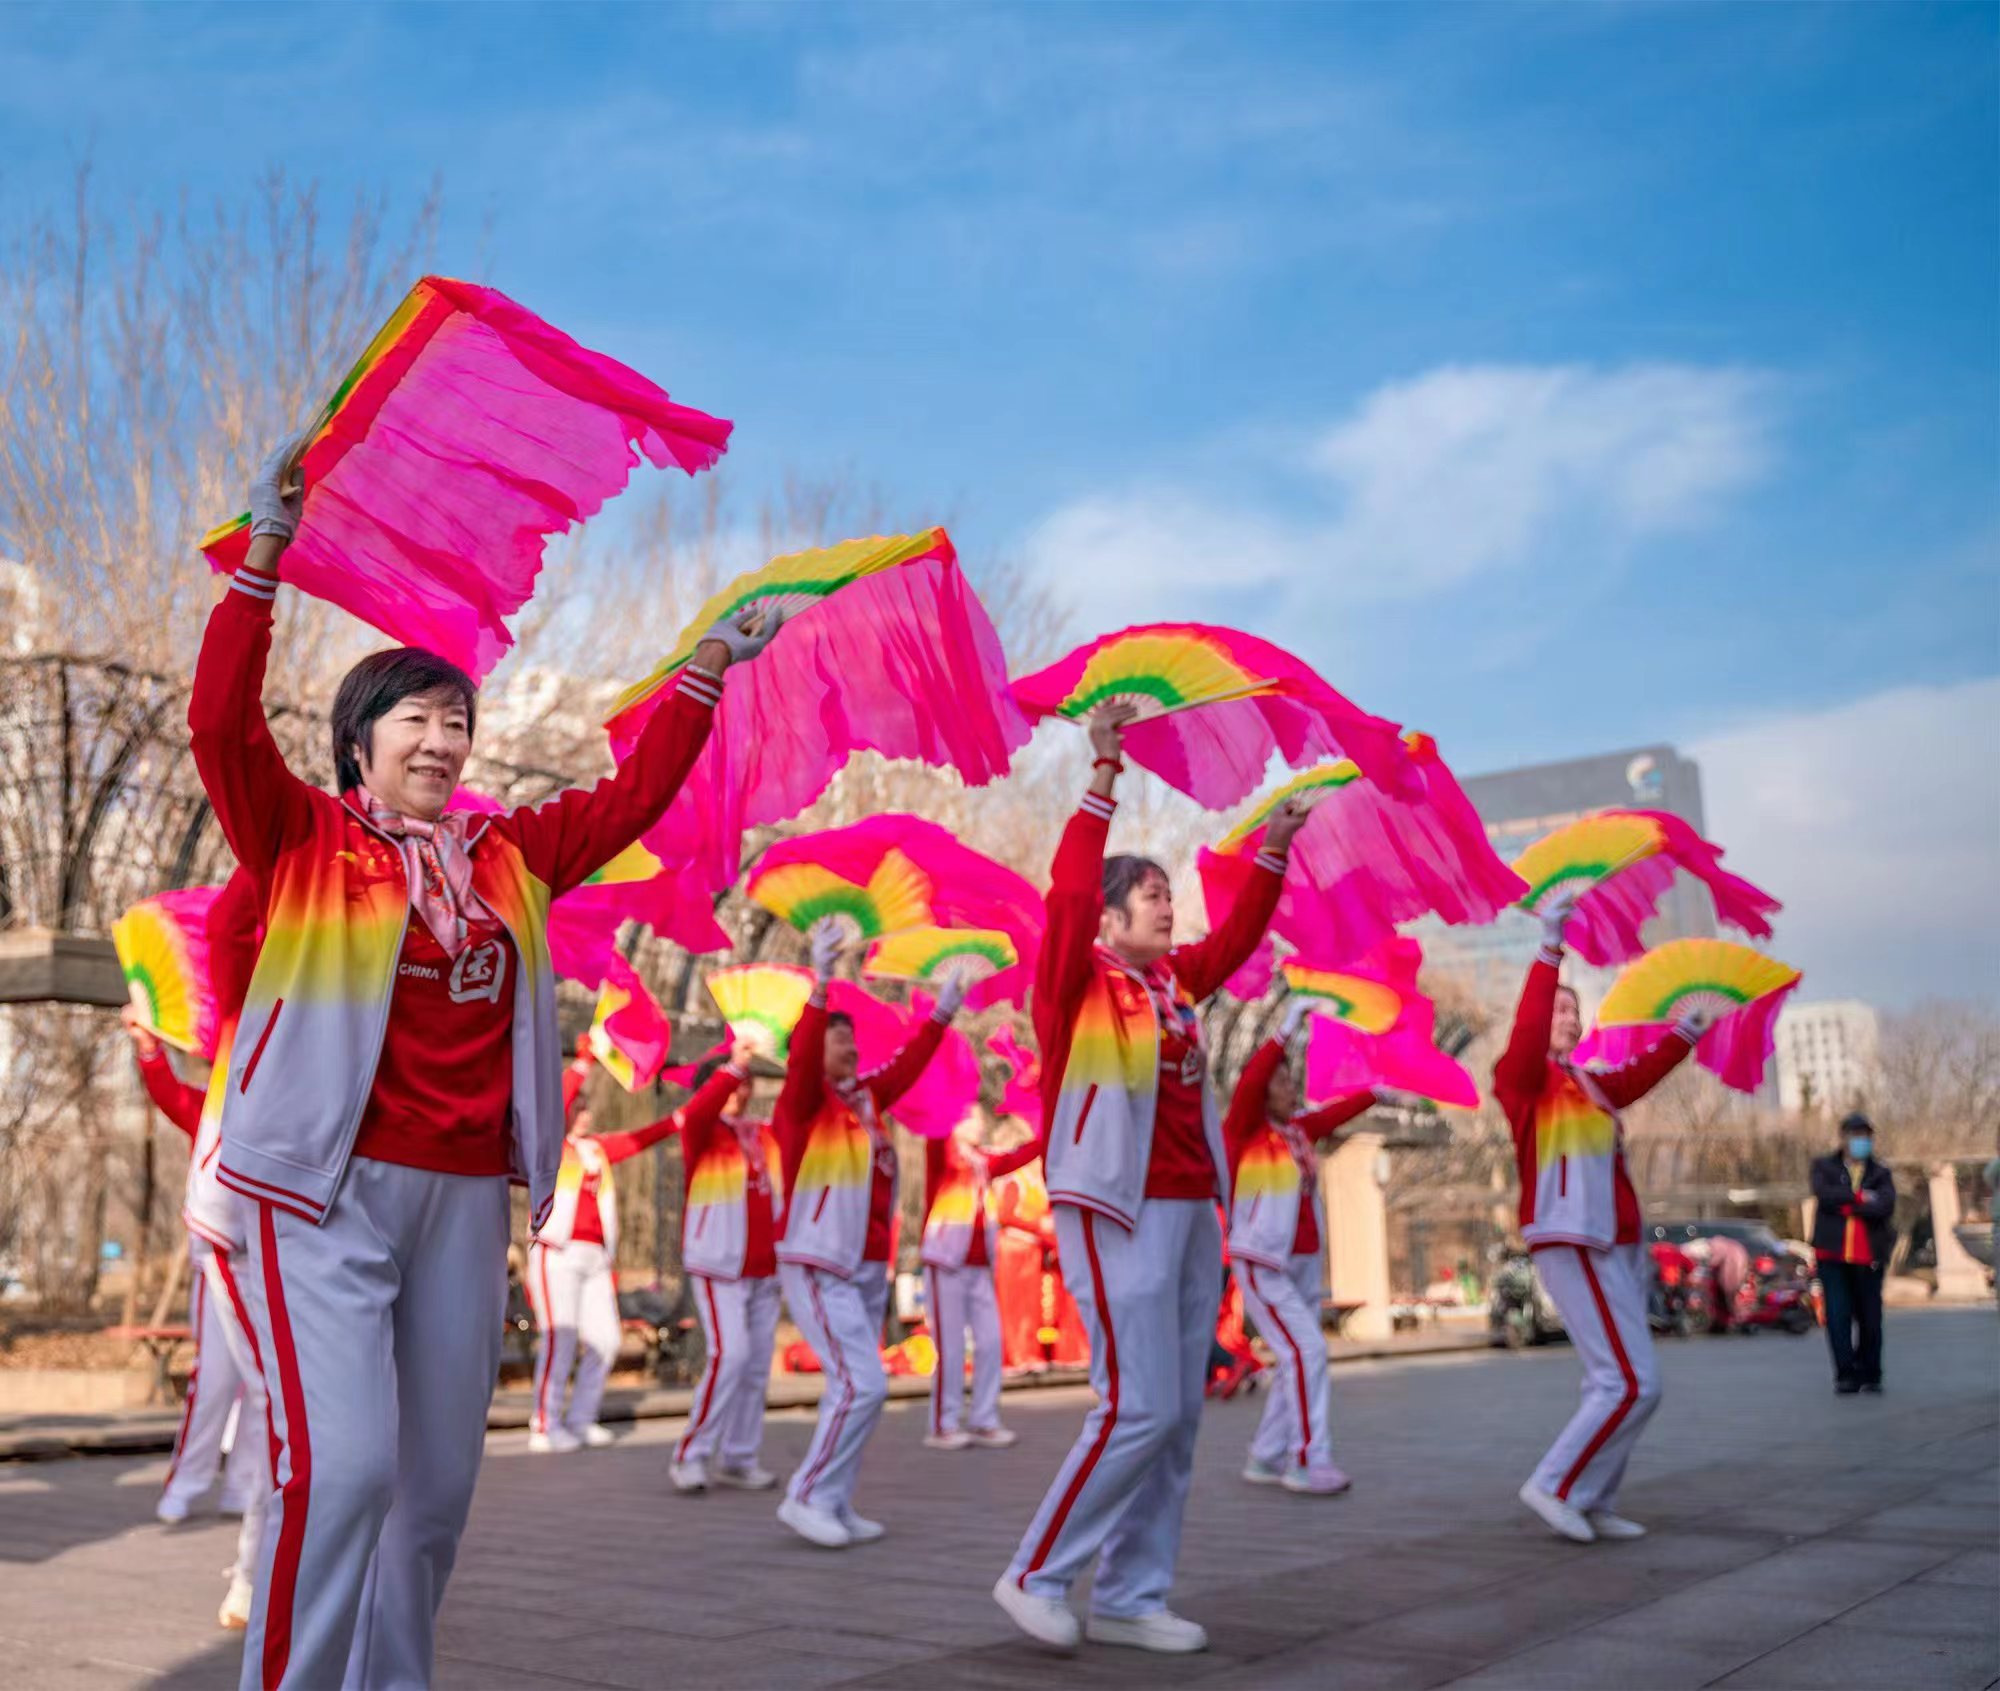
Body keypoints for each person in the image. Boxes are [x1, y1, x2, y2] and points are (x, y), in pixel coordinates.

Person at [188, 438, 782, 1691]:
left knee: (438, 1491)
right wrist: (264, 555)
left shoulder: (509, 854)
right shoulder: (299, 835)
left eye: (459, 721)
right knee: (343, 1467)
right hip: (321, 1191)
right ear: (360, 738)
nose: (446, 739)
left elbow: (632, 800)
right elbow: (218, 724)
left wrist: (707, 670)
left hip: (464, 1197)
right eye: (420, 717)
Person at [994, 702, 1304, 1655]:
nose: (1171, 907)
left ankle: (1132, 1593)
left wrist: (1273, 852)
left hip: (1186, 1208)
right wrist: (1101, 776)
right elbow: (1070, 897)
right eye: (1154, 895)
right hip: (1111, 1205)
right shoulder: (1074, 982)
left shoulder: (1172, 988)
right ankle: (1035, 1573)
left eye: (1173, 894)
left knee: (1175, 1423)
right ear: (1115, 914)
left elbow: (1239, 940)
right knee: (1136, 1404)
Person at [1493, 891, 1708, 1546]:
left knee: (1636, 1383)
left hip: (1612, 1243)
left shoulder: (1589, 1085)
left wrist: (1684, 1035)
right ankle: (1555, 1484)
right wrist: (1549, 947)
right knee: (1625, 1379)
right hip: (1567, 1236)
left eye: (1572, 1008)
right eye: (1555, 1005)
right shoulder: (1521, 1079)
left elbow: (1637, 1075)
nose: (1563, 1013)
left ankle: (1590, 1495)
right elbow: (1529, 1028)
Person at [771, 921, 966, 1549]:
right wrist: (821, 981)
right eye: (837, 1039)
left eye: (852, 1041)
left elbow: (905, 1067)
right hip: (818, 1260)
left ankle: (833, 1498)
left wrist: (942, 1014)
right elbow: (802, 1060)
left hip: (864, 1265)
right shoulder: (803, 1104)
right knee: (864, 1383)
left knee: (853, 1386)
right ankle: (805, 1495)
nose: (850, 1049)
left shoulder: (866, 1100)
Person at [528, 1058, 746, 1455]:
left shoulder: (596, 1149)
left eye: (586, 1108)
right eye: (577, 1108)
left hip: (596, 1257)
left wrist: (679, 1119)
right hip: (556, 1252)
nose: (582, 1114)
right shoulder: (552, 1146)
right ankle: (545, 1423)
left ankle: (580, 1418)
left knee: (606, 1341)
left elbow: (637, 1140)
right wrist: (584, 1063)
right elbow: (555, 1102)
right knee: (561, 1339)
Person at [1223, 1001, 1376, 1495]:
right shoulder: (1246, 1129)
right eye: (1283, 1080)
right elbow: (1252, 1080)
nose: (1292, 1088)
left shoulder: (1297, 1132)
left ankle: (1266, 1456)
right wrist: (1288, 1025)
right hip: (1262, 1260)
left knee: (1298, 1357)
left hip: (1303, 1262)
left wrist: (1377, 1091)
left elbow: (1333, 1114)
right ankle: (1308, 1459)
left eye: (1292, 1081)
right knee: (1306, 1351)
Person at [668, 1040, 785, 1493]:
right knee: (729, 1356)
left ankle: (739, 1455)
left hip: (764, 1267)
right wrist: (733, 1065)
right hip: (719, 1263)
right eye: (733, 1083)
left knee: (755, 1366)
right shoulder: (701, 1129)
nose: (741, 1089)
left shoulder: (762, 1132)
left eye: (746, 1081)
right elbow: (700, 1109)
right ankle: (691, 1454)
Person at [920, 1119, 1038, 1451]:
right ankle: (943, 1424)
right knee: (952, 1347)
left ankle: (984, 1419)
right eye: (969, 1117)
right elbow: (935, 1132)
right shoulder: (941, 1154)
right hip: (945, 1263)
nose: (978, 1122)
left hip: (978, 1266)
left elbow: (1015, 1157)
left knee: (990, 1342)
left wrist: (1047, 1135)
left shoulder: (982, 1162)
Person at [1810, 1114, 1895, 1394]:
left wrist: (1848, 1203)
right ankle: (1845, 1373)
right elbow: (1825, 1195)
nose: (1861, 1141)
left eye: (1866, 1136)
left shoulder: (1880, 1173)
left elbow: (1884, 1205)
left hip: (1868, 1255)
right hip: (1832, 1255)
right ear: (1843, 1137)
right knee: (1837, 1314)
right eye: (1856, 1135)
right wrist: (1861, 1197)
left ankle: (1870, 1371)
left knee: (1870, 1317)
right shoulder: (1824, 1166)